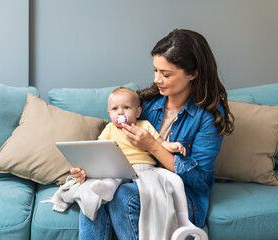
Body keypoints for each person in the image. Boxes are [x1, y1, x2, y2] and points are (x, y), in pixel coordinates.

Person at [71, 29, 234, 240]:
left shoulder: (208, 115)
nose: (157, 79)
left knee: (123, 197)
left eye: (166, 74)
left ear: (193, 73)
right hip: (135, 180)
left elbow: (200, 180)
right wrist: (89, 170)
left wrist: (154, 147)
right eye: (155, 70)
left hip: (182, 197)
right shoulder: (145, 104)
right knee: (93, 192)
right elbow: (116, 145)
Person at [90, 86, 186, 202]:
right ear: (110, 114)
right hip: (121, 168)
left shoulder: (144, 125)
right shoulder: (110, 128)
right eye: (115, 109)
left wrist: (171, 146)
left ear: (138, 112)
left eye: (126, 107)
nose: (120, 112)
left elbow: (159, 143)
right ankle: (108, 189)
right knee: (113, 177)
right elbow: (99, 146)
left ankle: (178, 214)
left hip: (145, 167)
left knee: (171, 180)